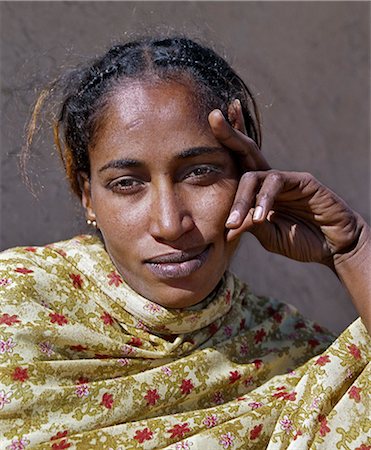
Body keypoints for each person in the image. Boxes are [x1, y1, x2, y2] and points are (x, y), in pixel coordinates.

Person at [0, 36, 369, 450]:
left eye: (200, 173)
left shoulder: (293, 355)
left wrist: (352, 248)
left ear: (248, 177)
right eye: (127, 183)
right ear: (88, 196)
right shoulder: (16, 307)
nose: (170, 223)